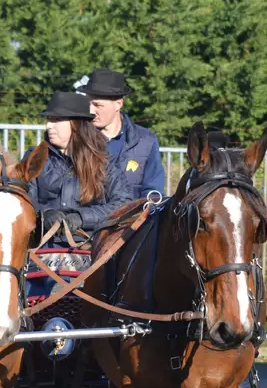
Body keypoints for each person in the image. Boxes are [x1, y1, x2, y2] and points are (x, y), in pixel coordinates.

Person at [24, 92, 133, 296]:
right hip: (41, 249)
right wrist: (43, 215)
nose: (49, 126)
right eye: (49, 120)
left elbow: (123, 203)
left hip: (89, 249)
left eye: (56, 120)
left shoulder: (105, 162)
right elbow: (22, 201)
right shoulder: (35, 157)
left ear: (76, 124)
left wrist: (82, 218)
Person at [80, 68, 166, 200]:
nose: (91, 110)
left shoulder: (146, 141)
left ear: (118, 104)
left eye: (98, 105)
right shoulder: (78, 139)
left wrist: (143, 214)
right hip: (86, 219)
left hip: (134, 219)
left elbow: (153, 191)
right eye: (88, 104)